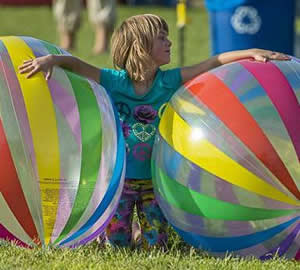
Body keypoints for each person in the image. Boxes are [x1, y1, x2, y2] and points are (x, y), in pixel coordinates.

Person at [18, 14, 290, 249]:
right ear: (141, 46)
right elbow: (78, 66)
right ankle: (119, 233)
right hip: (121, 181)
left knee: (155, 244)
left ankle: (143, 231)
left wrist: (250, 51)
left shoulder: (168, 81)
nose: (169, 42)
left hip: (155, 182)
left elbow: (212, 63)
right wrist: (52, 59)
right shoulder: (115, 81)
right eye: (162, 37)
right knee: (118, 244)